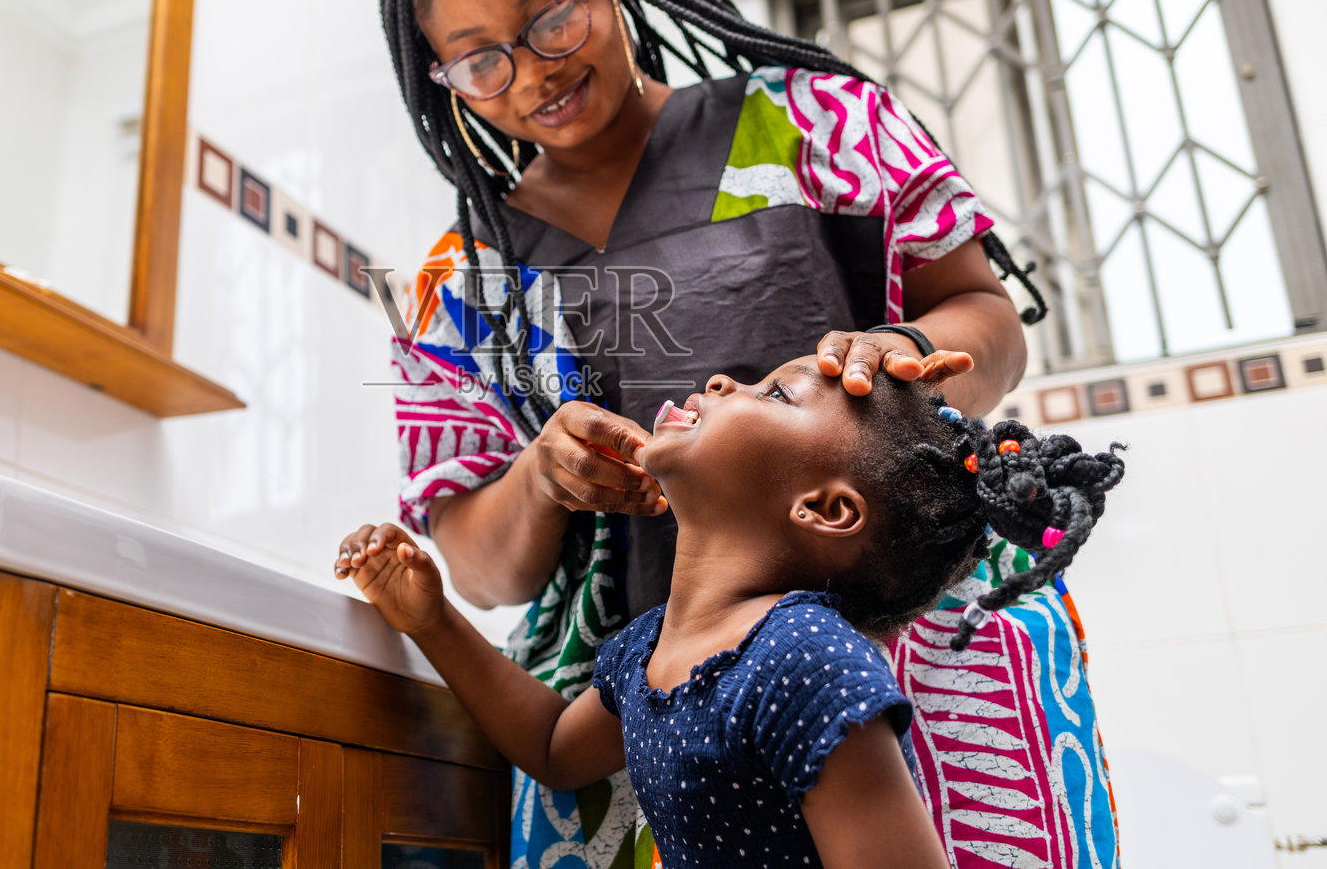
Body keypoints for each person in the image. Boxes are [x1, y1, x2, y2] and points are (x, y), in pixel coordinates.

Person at [379, 0, 1114, 869]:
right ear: (439, 75)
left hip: (922, 656)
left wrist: (900, 345)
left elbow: (984, 315)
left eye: (553, 12)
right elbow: (480, 560)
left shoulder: (807, 123)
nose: (534, 68)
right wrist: (543, 476)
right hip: (657, 702)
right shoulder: (466, 279)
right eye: (480, 57)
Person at [343, 359, 1125, 868]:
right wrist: (433, 616)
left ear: (823, 508)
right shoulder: (649, 648)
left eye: (773, 393)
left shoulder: (804, 657)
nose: (721, 381)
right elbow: (551, 745)